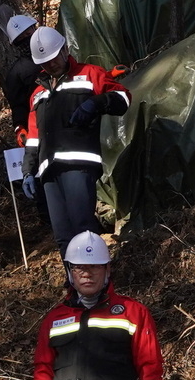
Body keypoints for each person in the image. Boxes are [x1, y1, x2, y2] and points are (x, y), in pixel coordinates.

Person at [29, 231, 165, 380]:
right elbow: (42, 371)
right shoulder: (54, 319)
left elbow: (150, 367)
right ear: (69, 271)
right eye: (80, 267)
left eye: (95, 266)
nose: (87, 273)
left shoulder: (133, 312)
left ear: (107, 269)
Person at [21, 26, 129, 248]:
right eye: (44, 62)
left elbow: (122, 98)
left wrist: (95, 103)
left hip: (79, 164)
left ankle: (98, 280)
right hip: (48, 170)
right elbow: (33, 137)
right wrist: (27, 172)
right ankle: (74, 281)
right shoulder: (38, 93)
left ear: (64, 49)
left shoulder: (90, 74)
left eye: (53, 58)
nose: (50, 64)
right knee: (63, 235)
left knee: (83, 227)